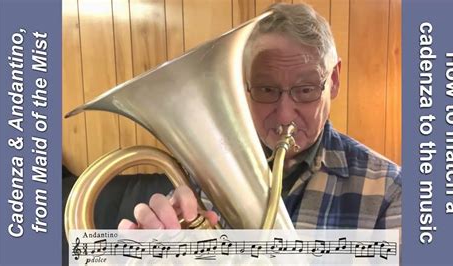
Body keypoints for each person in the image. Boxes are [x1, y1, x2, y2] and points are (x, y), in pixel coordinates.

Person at [117, 3, 402, 230]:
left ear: (334, 81)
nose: (284, 115)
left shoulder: (389, 190)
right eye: (267, 89)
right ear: (244, 84)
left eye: (306, 89)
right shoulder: (203, 176)